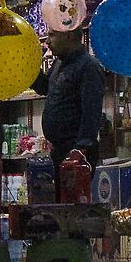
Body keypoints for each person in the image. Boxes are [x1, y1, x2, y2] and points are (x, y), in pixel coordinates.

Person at [40, 26, 107, 167]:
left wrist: (80, 151)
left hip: (76, 153)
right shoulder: (58, 64)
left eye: (52, 35)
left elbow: (91, 113)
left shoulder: (89, 67)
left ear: (68, 36)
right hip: (59, 150)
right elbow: (46, 88)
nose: (47, 41)